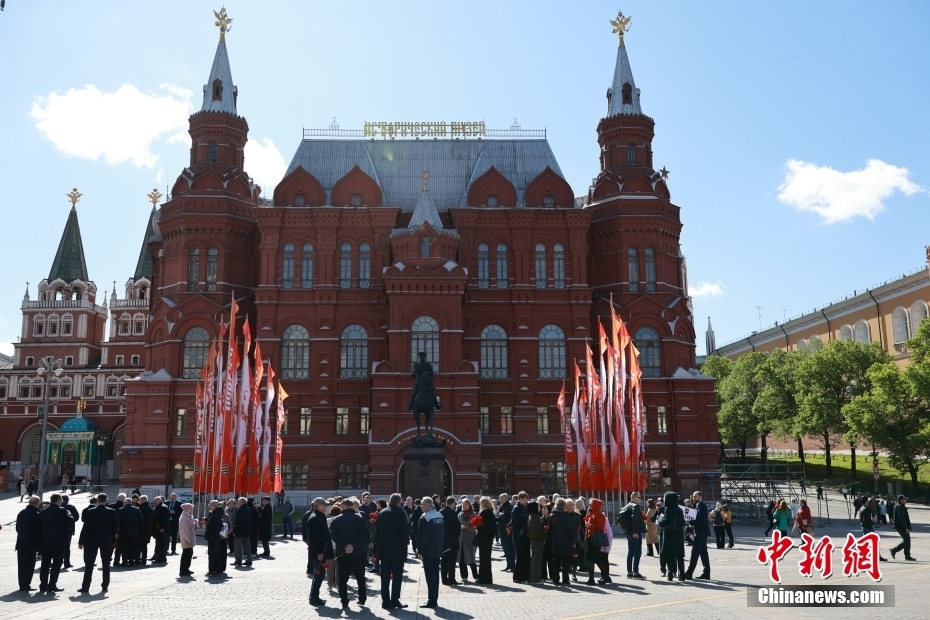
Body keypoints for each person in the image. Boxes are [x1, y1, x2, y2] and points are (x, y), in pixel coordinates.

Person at [330, 498, 369, 609]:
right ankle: (362, 598)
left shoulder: (336, 520)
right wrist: (353, 545)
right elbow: (363, 534)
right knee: (359, 575)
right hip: (356, 551)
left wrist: (344, 545)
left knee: (342, 577)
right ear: (352, 506)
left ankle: (344, 601)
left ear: (343, 506)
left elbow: (334, 536)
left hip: (342, 551)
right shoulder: (360, 518)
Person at [78, 493, 119, 593]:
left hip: (92, 540)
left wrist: (81, 541)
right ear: (106, 500)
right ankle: (105, 586)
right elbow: (116, 526)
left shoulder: (90, 511)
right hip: (106, 540)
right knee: (106, 564)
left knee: (89, 564)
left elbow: (85, 527)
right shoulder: (112, 511)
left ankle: (85, 586)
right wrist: (114, 539)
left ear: (97, 500)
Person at [376, 493, 410, 609]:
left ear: (390, 500)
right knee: (397, 576)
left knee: (384, 577)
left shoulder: (382, 512)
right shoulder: (401, 513)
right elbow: (404, 531)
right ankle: (395, 599)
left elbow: (378, 532)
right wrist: (406, 542)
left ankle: (385, 601)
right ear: (399, 501)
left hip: (384, 549)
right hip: (398, 549)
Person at [39, 493, 73, 593]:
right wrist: (69, 513)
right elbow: (70, 520)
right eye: (61, 500)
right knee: (57, 563)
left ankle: (43, 585)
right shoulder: (62, 510)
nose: (61, 502)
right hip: (58, 541)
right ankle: (52, 585)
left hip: (46, 541)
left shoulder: (44, 511)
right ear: (58, 501)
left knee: (45, 563)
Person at [304, 498, 333, 606]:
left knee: (319, 574)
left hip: (322, 550)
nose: (326, 506)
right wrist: (319, 552)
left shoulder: (319, 516)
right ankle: (313, 597)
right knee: (319, 574)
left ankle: (315, 596)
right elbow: (314, 539)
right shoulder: (314, 518)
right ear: (319, 505)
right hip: (319, 552)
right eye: (325, 505)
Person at [416, 497, 444, 609]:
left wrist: (420, 552)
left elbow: (423, 537)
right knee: (436, 575)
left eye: (422, 504)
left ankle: (431, 600)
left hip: (428, 551)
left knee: (430, 576)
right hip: (437, 550)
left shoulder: (425, 517)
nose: (421, 506)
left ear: (426, 505)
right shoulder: (440, 515)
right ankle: (434, 598)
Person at [16, 496, 43, 592]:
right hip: (31, 544)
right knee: (29, 565)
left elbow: (17, 528)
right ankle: (26, 584)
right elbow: (38, 531)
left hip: (20, 542)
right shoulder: (36, 514)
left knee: (21, 565)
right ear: (38, 503)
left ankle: (21, 584)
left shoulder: (22, 512)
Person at [657, 491, 685, 581]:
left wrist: (659, 520)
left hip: (669, 534)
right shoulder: (679, 509)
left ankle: (670, 574)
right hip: (679, 534)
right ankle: (682, 574)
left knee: (669, 555)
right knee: (679, 556)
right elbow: (683, 522)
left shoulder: (668, 509)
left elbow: (664, 521)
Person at [584, 498, 613, 584]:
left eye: (590, 505)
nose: (589, 506)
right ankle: (606, 577)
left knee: (590, 559)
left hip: (595, 539)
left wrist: (590, 526)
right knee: (597, 559)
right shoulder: (593, 514)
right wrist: (587, 516)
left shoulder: (599, 515)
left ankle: (592, 579)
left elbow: (600, 528)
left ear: (595, 505)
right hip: (591, 538)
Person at [684, 491, 710, 580]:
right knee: (703, 553)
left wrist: (689, 522)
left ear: (700, 497)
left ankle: (689, 573)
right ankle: (706, 573)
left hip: (701, 532)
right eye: (693, 496)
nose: (694, 498)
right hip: (699, 531)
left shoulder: (702, 506)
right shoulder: (696, 505)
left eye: (695, 496)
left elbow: (702, 520)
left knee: (695, 552)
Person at [548, 497, 575, 585]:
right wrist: (573, 540)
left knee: (556, 561)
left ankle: (555, 579)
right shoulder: (566, 516)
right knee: (565, 562)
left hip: (556, 541)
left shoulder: (552, 515)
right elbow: (570, 530)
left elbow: (550, 530)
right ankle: (565, 579)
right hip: (566, 542)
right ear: (564, 505)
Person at [623, 492, 647, 579]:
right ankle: (636, 572)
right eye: (639, 497)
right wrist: (636, 531)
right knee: (637, 552)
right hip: (634, 532)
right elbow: (635, 519)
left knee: (630, 552)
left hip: (628, 532)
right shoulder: (635, 506)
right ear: (634, 498)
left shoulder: (627, 506)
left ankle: (629, 572)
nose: (640, 499)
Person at [475, 496, 497, 584]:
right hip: (489, 538)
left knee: (483, 559)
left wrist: (477, 527)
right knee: (487, 558)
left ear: (483, 504)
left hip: (483, 538)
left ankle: (483, 578)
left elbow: (481, 526)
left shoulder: (484, 513)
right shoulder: (491, 512)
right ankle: (487, 578)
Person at [457, 498, 479, 581]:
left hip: (469, 539)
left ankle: (476, 576)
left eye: (466, 505)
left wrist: (467, 527)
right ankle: (464, 576)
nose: (464, 506)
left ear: (469, 505)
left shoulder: (473, 514)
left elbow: (476, 526)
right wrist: (459, 527)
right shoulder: (460, 514)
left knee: (471, 557)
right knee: (461, 558)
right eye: (463, 505)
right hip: (461, 539)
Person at [440, 496, 460, 586]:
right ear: (453, 504)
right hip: (452, 540)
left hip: (443, 540)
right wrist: (457, 535)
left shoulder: (440, 512)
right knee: (452, 560)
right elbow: (457, 526)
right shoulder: (452, 513)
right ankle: (451, 579)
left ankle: (444, 579)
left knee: (444, 559)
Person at [511, 491, 531, 583]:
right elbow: (518, 522)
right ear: (521, 499)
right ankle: (517, 577)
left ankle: (525, 576)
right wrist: (527, 519)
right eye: (525, 499)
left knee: (526, 557)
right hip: (519, 536)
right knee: (521, 557)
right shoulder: (516, 508)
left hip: (525, 536)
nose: (527, 501)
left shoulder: (523, 508)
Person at [205, 500, 228, 577]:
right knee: (216, 553)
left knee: (212, 554)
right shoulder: (217, 514)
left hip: (213, 536)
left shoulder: (215, 515)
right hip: (215, 537)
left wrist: (208, 531)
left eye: (210, 505)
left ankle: (211, 570)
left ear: (213, 506)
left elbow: (216, 527)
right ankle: (217, 569)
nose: (209, 507)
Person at [118, 497, 142, 566]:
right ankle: (131, 561)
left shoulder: (121, 510)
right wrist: (137, 528)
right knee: (132, 547)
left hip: (123, 532)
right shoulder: (137, 509)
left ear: (125, 503)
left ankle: (124, 562)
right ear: (131, 502)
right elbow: (141, 520)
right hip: (134, 532)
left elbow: (118, 521)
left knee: (124, 547)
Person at [889, 495, 915, 561]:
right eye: (904, 499)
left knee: (907, 540)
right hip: (901, 527)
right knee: (906, 540)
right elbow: (901, 518)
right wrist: (906, 527)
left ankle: (907, 555)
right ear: (901, 500)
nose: (906, 500)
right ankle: (894, 550)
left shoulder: (901, 506)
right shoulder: (899, 507)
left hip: (902, 526)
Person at [526, 500, 545, 583]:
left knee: (534, 559)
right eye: (538, 506)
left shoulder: (531, 516)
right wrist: (543, 538)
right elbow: (537, 530)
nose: (540, 508)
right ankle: (536, 579)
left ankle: (532, 578)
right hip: (536, 540)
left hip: (533, 539)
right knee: (537, 559)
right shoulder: (535, 517)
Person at [178, 503, 197, 577]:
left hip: (189, 539)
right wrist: (189, 541)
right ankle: (183, 570)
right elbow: (185, 531)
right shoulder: (184, 518)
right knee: (186, 555)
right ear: (187, 509)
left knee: (189, 554)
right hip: (187, 540)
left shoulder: (189, 516)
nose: (192, 510)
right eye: (191, 509)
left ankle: (187, 568)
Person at [497, 493, 515, 571]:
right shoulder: (502, 507)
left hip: (507, 531)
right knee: (505, 549)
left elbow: (506, 516)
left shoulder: (509, 506)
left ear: (506, 498)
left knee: (510, 549)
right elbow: (499, 516)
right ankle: (508, 565)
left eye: (501, 498)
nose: (500, 500)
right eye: (499, 498)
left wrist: (501, 515)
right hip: (502, 531)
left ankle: (512, 566)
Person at [61, 495, 79, 568]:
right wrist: (71, 522)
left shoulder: (57, 506)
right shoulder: (71, 507)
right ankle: (66, 562)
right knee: (67, 546)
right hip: (69, 528)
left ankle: (57, 561)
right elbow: (76, 516)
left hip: (57, 529)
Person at [233, 497, 253, 566]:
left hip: (240, 531)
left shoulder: (240, 510)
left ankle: (238, 561)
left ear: (241, 502)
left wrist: (235, 530)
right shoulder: (248, 509)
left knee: (238, 547)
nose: (238, 503)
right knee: (247, 547)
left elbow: (238, 522)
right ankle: (249, 560)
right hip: (247, 530)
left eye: (238, 502)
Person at [151, 496, 170, 563]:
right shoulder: (157, 508)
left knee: (162, 544)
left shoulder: (163, 508)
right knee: (158, 544)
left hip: (161, 530)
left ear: (159, 501)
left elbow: (165, 519)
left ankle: (161, 558)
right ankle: (157, 557)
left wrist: (163, 528)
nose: (154, 502)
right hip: (157, 529)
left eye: (155, 501)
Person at [137, 495, 154, 566]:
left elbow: (140, 520)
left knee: (139, 546)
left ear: (143, 500)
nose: (138, 501)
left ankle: (139, 559)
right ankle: (144, 559)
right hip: (148, 530)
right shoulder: (150, 508)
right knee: (144, 546)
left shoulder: (141, 508)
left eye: (139, 500)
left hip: (141, 530)